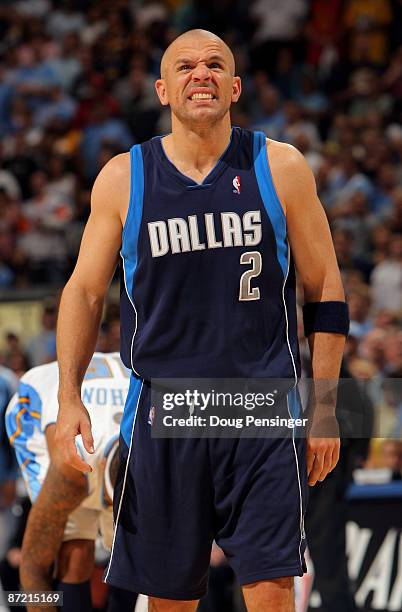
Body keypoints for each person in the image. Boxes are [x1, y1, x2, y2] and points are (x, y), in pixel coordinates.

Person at [54, 29, 348, 612]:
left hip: (260, 409)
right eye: (185, 66)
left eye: (215, 64)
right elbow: (84, 293)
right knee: (169, 600)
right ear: (163, 90)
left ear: (235, 86)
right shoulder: (124, 177)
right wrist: (69, 400)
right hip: (165, 413)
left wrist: (325, 407)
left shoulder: (279, 165)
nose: (202, 73)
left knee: (272, 589)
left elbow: (326, 290)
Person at [5, 352, 138, 612]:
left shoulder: (169, 461)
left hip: (119, 386)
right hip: (37, 411)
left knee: (134, 556)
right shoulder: (69, 471)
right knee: (74, 549)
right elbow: (33, 571)